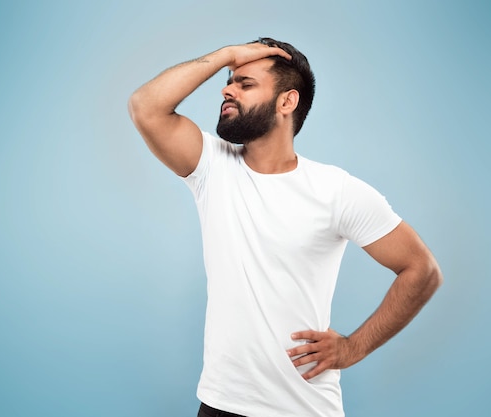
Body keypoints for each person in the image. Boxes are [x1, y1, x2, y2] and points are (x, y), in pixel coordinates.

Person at [128, 37, 442, 417]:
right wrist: (229, 55)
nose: (227, 89)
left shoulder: (336, 191)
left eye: (245, 84)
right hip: (220, 405)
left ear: (286, 102)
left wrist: (353, 348)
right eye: (229, 81)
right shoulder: (212, 166)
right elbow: (146, 107)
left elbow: (421, 270)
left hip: (303, 408)